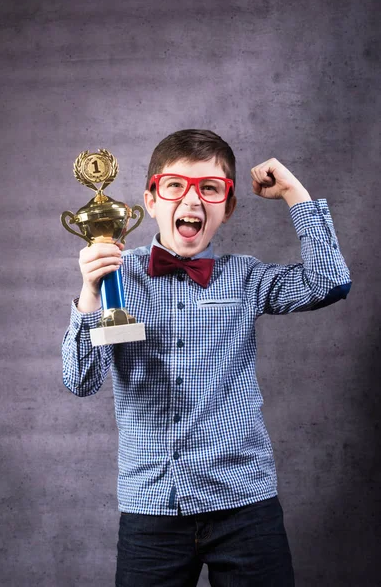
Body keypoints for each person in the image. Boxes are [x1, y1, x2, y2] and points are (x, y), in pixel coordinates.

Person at [62, 129, 351, 586]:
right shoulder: (115, 274)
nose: (192, 201)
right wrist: (90, 296)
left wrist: (295, 194)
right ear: (150, 201)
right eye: (176, 186)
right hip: (151, 509)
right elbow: (81, 381)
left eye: (210, 189)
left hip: (244, 505)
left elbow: (329, 282)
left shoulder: (247, 278)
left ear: (227, 207)